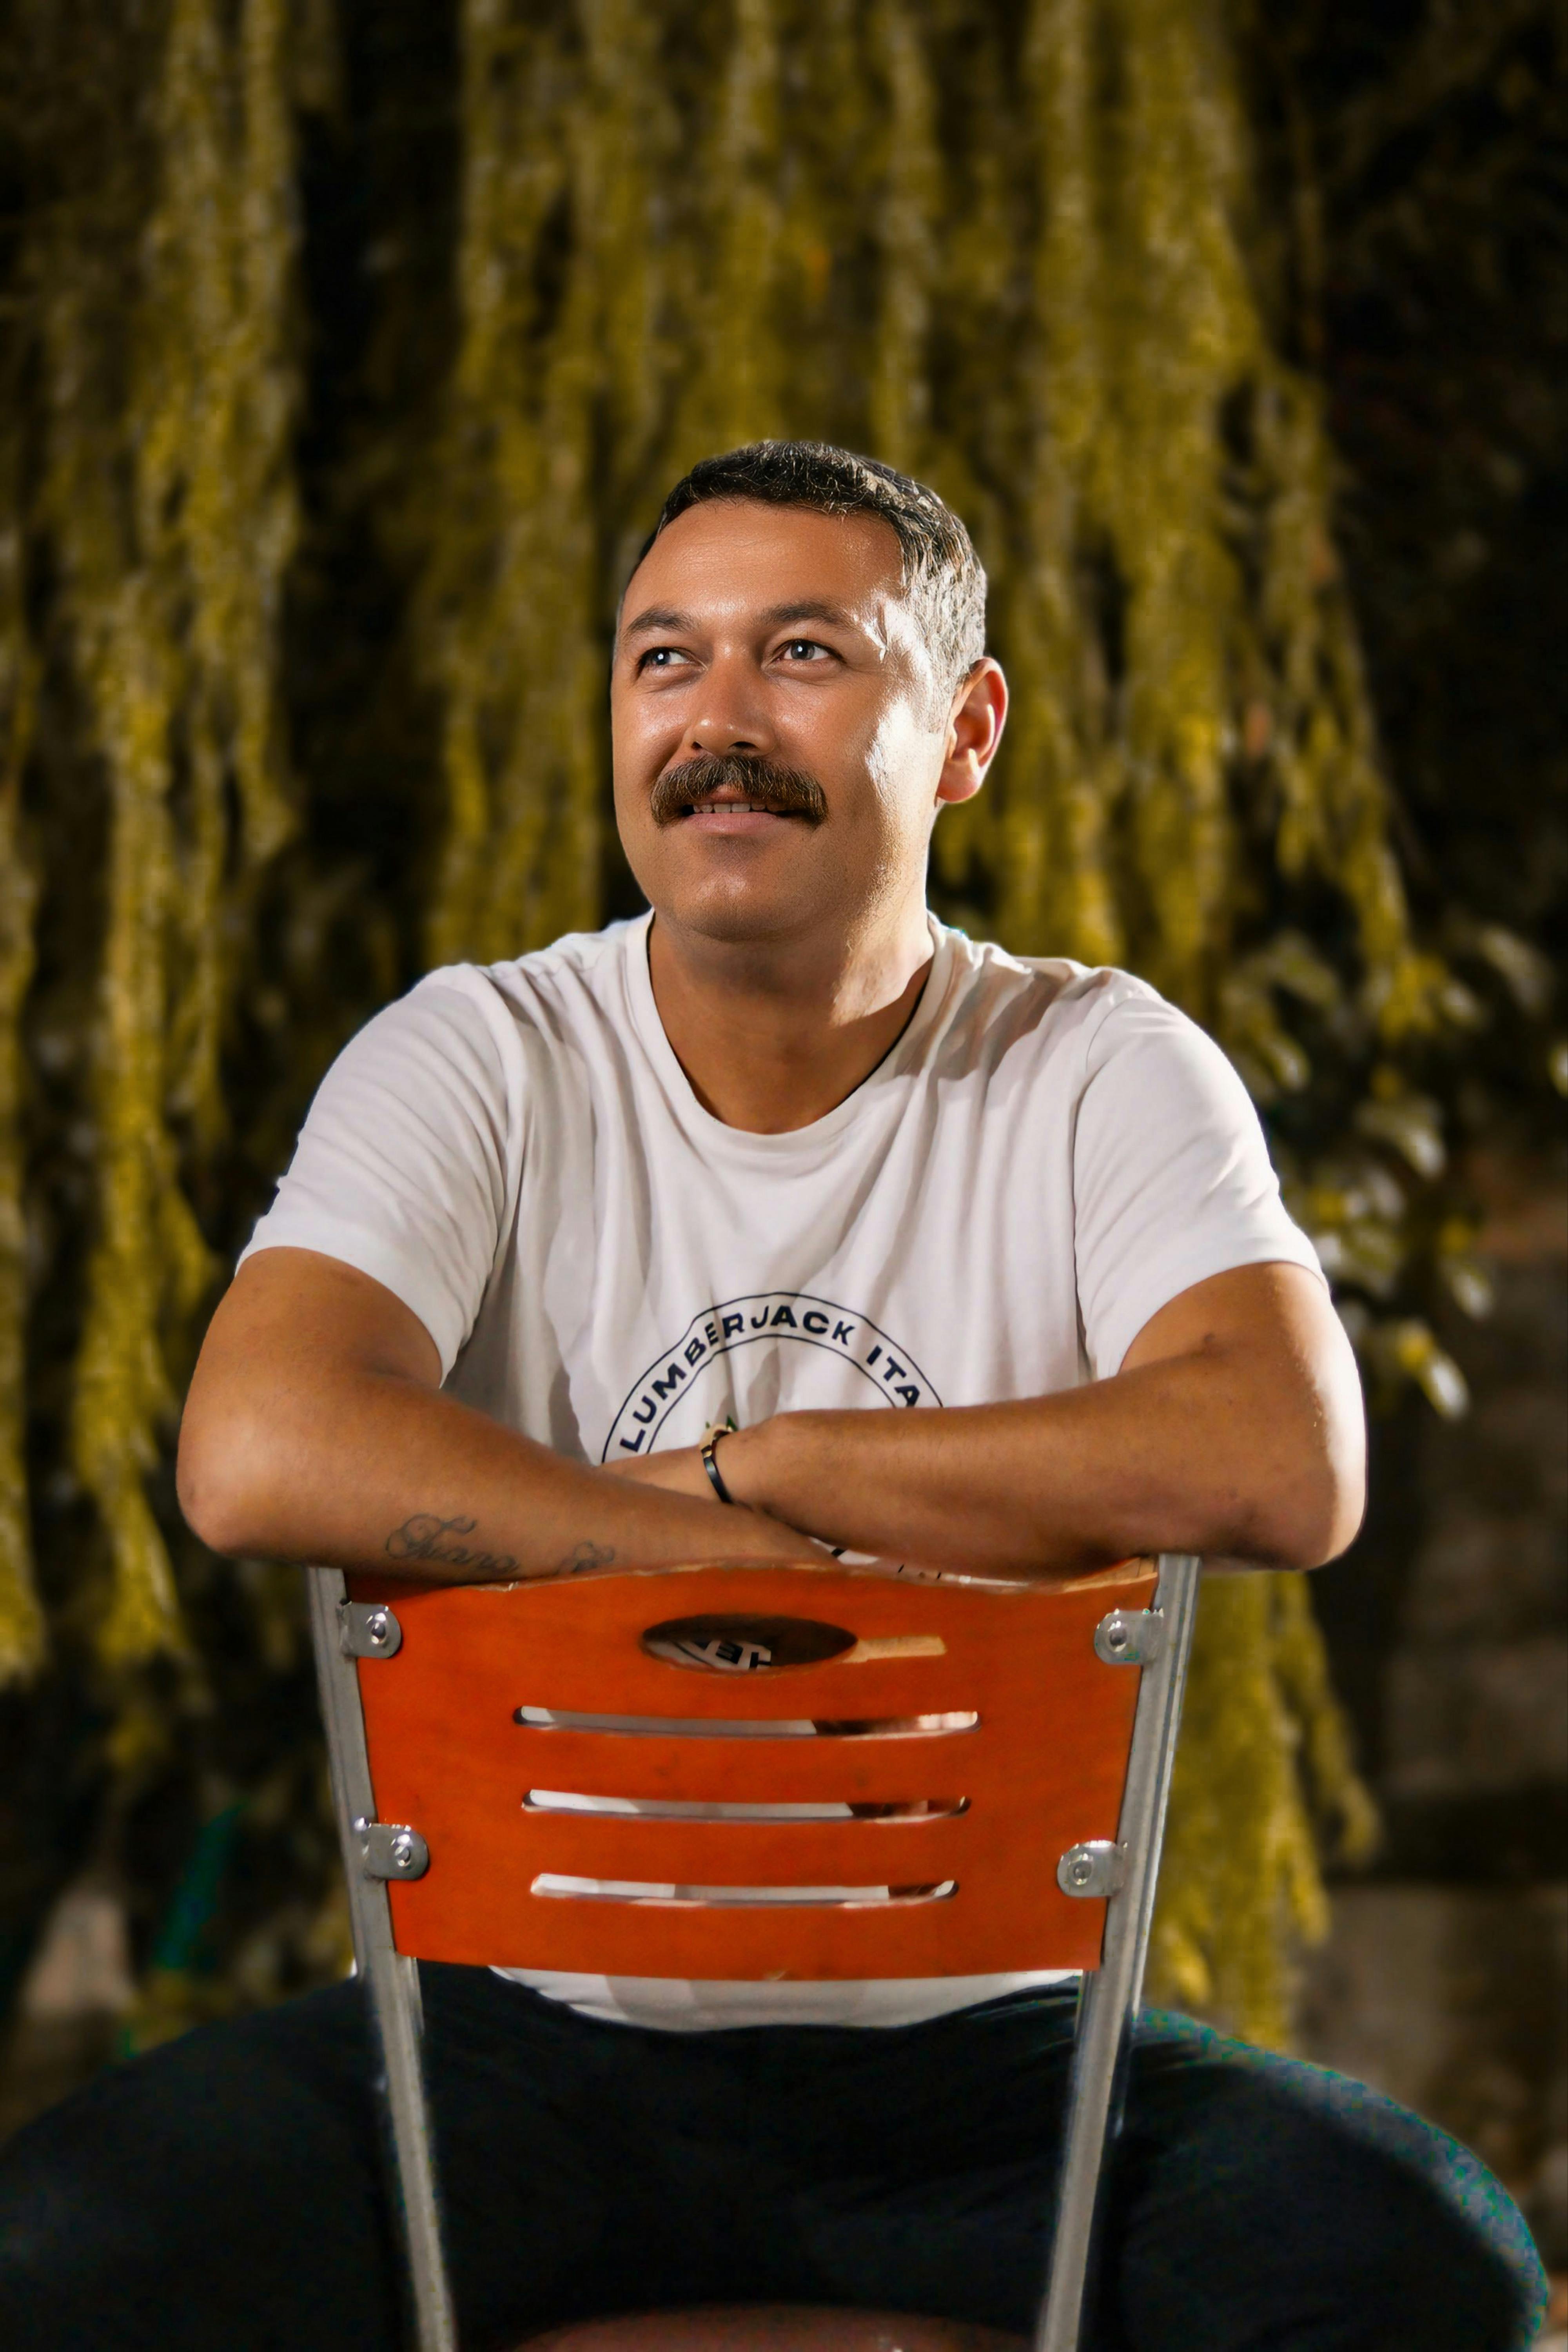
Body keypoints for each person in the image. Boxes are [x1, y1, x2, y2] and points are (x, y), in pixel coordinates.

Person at [0, 443, 1545, 2351]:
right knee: (57, 2258)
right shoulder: (478, 1054)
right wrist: (729, 1546)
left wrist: (773, 1462)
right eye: (667, 661)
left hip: (986, 2065)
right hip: (513, 2047)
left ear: (965, 731)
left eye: (801, 652)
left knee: (1423, 2280)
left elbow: (1285, 1458)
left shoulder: (1093, 1067)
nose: (717, 723)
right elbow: (256, 1450)